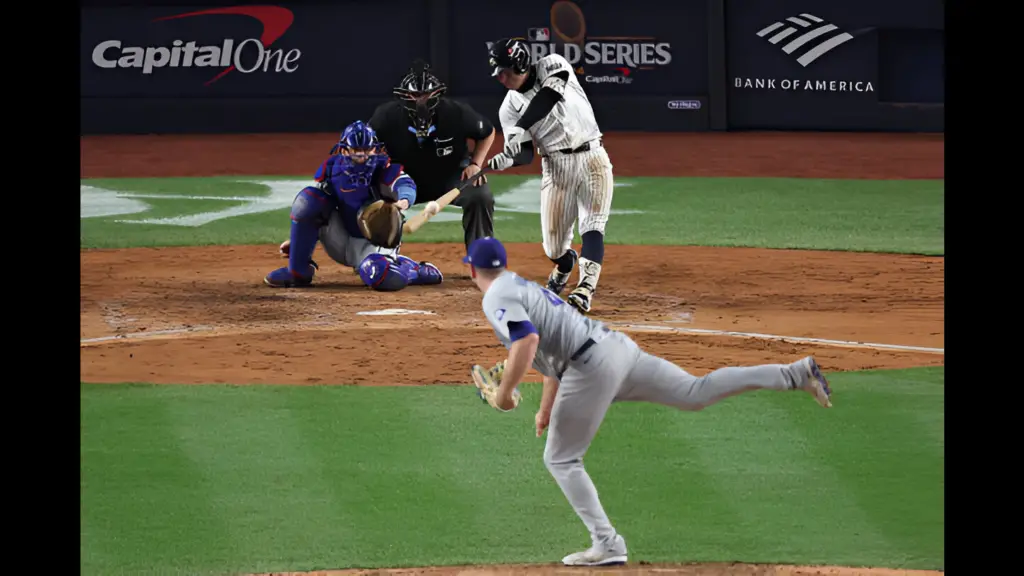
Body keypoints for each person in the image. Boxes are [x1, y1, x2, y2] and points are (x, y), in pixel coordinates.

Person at [462, 236, 833, 567]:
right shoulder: (520, 285)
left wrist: (507, 395)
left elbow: (527, 343)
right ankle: (795, 374)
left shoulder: (495, 295)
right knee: (695, 392)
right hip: (616, 349)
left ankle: (607, 543)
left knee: (561, 458)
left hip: (590, 367)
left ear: (473, 270)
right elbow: (548, 355)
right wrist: (545, 408)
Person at [483, 37, 614, 314]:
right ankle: (565, 265)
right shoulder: (507, 108)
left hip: (592, 155)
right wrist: (508, 158)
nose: (501, 78)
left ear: (519, 63)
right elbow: (527, 154)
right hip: (556, 168)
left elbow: (549, 96)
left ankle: (585, 288)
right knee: (553, 246)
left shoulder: (552, 64)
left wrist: (522, 126)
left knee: (593, 223)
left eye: (505, 71)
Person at [265, 120, 443, 290]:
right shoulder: (331, 169)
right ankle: (298, 271)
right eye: (357, 151)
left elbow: (405, 184)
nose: (363, 156)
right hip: (340, 236)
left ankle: (415, 271)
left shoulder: (384, 169)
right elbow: (314, 210)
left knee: (380, 276)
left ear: (375, 149)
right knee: (308, 200)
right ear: (344, 151)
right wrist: (300, 241)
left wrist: (402, 202)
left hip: (374, 244)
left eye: (368, 151)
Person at [368, 59, 497, 251]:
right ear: (403, 96)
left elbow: (487, 132)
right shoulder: (386, 116)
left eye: (426, 95)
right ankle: (377, 255)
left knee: (480, 194)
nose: (421, 100)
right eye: (414, 95)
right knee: (367, 192)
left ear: (437, 94)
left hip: (450, 177)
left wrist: (476, 164)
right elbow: (367, 144)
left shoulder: (456, 112)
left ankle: (481, 259)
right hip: (404, 181)